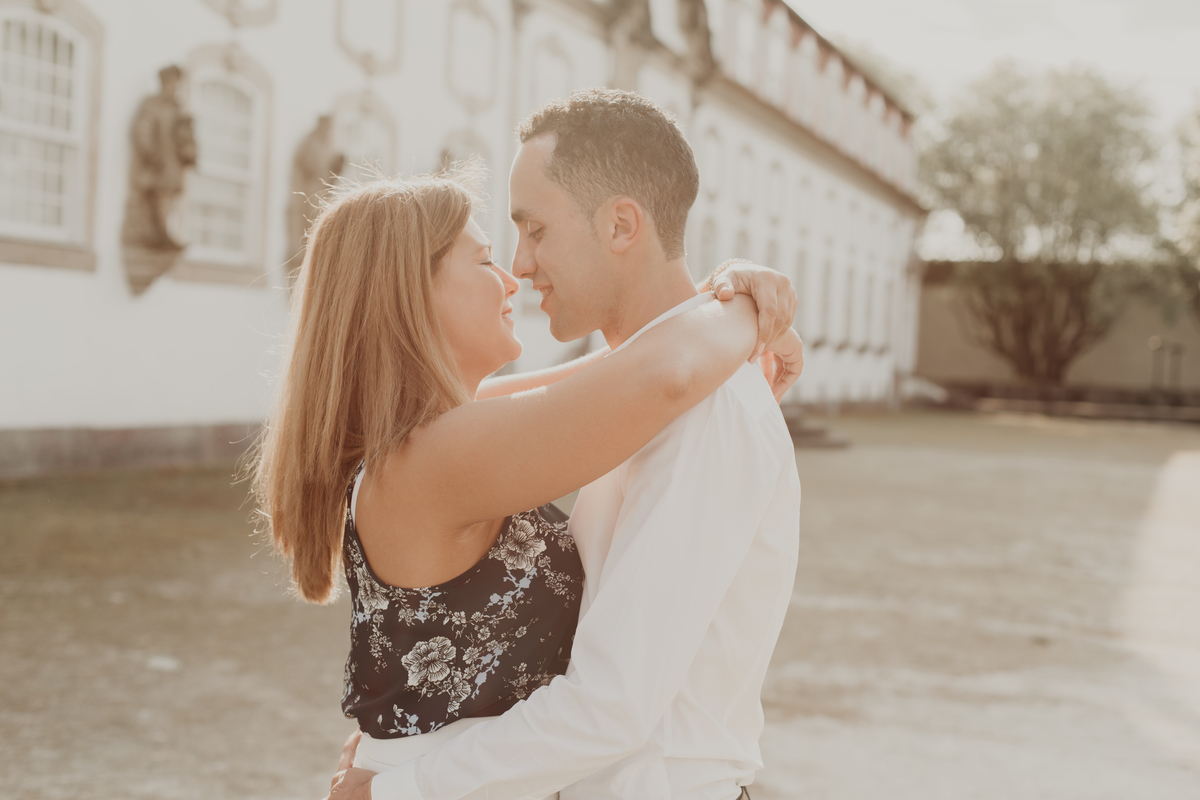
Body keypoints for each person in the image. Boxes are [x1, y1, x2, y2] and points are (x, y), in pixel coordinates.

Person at [326, 90, 803, 800]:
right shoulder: (629, 399)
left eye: (535, 229)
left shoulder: (702, 407)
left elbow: (612, 704)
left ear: (620, 225)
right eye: (494, 252)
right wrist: (735, 312)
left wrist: (398, 785)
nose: (520, 266)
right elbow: (650, 369)